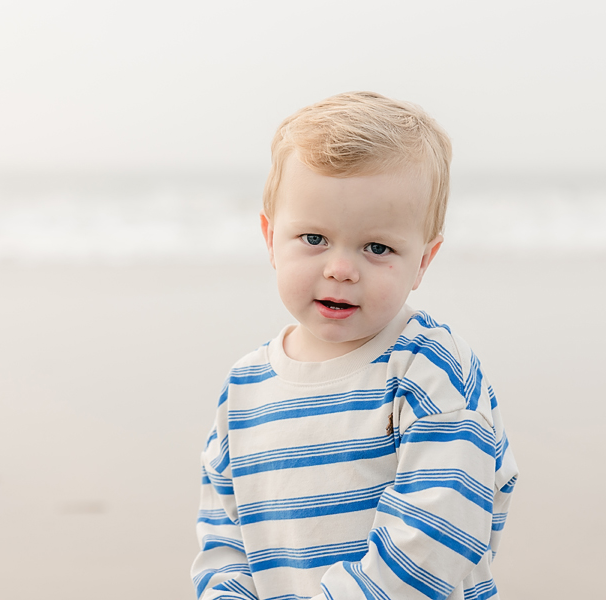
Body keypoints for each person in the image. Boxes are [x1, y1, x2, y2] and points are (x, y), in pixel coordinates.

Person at [192, 91, 519, 600]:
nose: (341, 268)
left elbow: (436, 532)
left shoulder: (427, 367)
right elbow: (224, 538)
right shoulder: (245, 387)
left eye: (377, 247)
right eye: (314, 239)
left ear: (423, 262)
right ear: (270, 238)